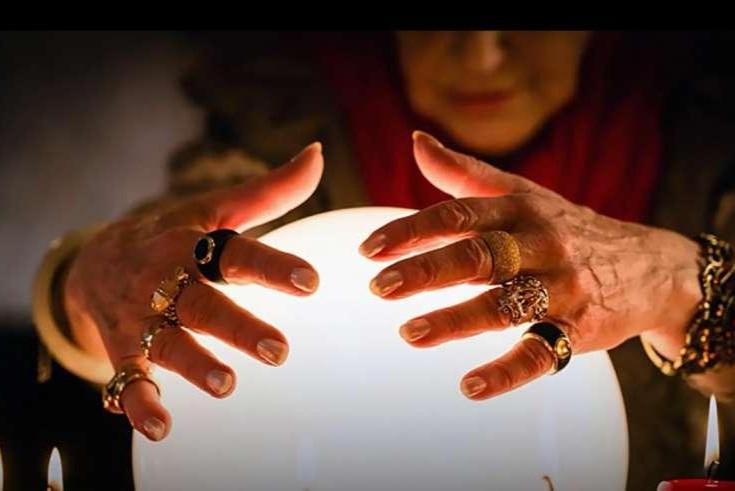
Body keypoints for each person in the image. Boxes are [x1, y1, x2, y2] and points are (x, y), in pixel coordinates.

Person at [33, 31, 735, 489]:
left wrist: (685, 284)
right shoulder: (286, 116)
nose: (480, 55)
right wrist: (90, 283)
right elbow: (166, 263)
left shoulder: (709, 130)